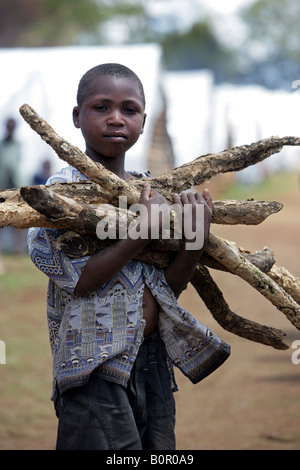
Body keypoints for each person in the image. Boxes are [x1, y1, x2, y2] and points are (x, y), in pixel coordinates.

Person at [27, 63, 230, 450]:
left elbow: (167, 287)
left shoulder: (151, 193)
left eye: (129, 110)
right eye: (101, 107)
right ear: (77, 116)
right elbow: (81, 280)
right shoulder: (58, 196)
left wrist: (194, 238)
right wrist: (139, 234)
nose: (116, 119)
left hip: (151, 360)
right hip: (93, 367)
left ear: (143, 120)